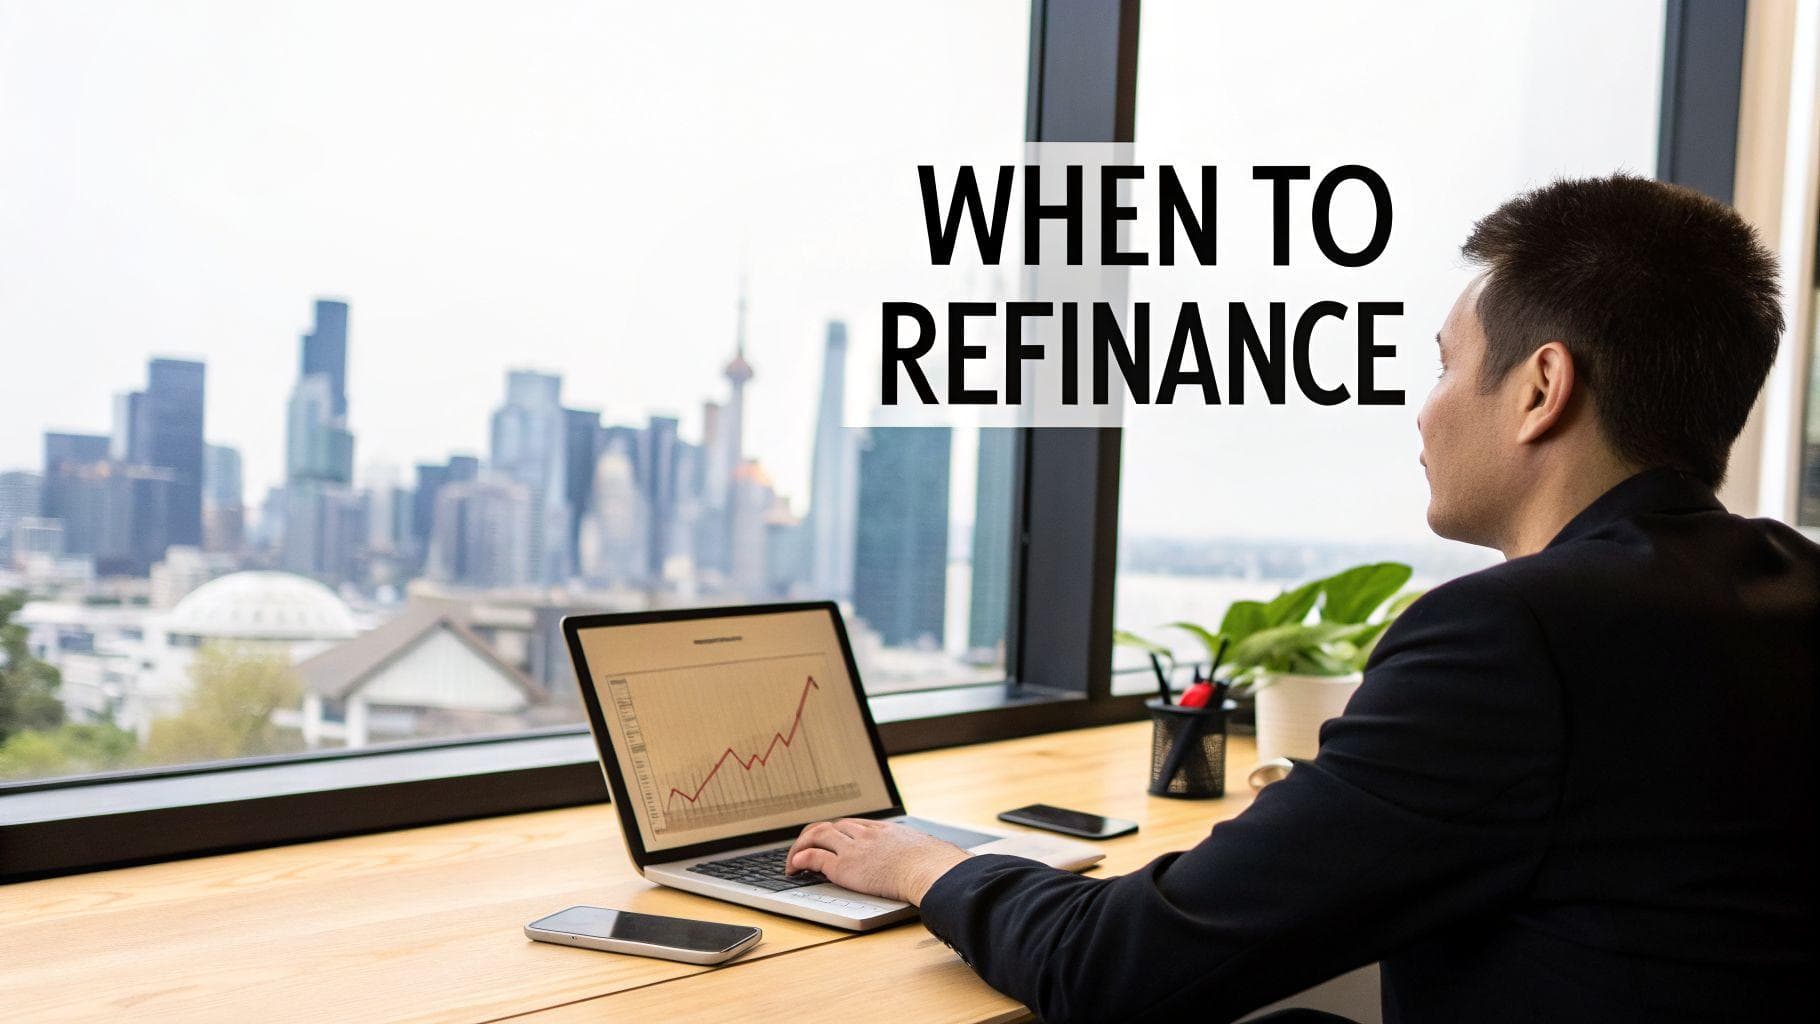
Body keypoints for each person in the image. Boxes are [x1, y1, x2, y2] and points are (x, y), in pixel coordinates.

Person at [785, 174, 1820, 1023]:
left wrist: (928, 866)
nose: (1422, 413)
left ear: (1541, 390)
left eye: (1444, 368)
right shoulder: (1787, 580)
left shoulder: (1512, 636)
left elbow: (1112, 966)